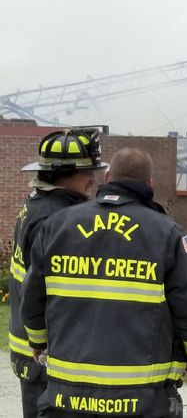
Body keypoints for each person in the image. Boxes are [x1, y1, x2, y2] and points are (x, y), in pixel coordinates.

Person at [20, 147, 187, 417]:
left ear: (108, 177)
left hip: (67, 395)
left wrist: (38, 341)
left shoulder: (57, 225)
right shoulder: (167, 233)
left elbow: (33, 294)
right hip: (140, 397)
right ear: (150, 184)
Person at [8, 129, 108, 418]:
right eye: (87, 172)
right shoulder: (54, 218)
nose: (93, 179)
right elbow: (52, 289)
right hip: (46, 353)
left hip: (32, 348)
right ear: (64, 175)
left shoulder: (39, 204)